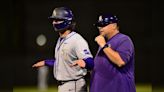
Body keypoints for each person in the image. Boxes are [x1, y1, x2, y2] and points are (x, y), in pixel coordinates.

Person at [32, 7, 94, 92]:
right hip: (65, 85)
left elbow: (91, 62)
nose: (54, 23)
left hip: (74, 85)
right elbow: (61, 63)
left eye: (57, 20)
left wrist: (86, 62)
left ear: (66, 21)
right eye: (53, 20)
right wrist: (46, 62)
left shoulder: (76, 40)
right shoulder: (61, 39)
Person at [90, 13, 136, 92]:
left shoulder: (124, 39)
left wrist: (103, 45)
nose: (100, 28)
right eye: (99, 25)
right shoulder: (105, 43)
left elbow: (120, 61)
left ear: (114, 25)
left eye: (104, 25)